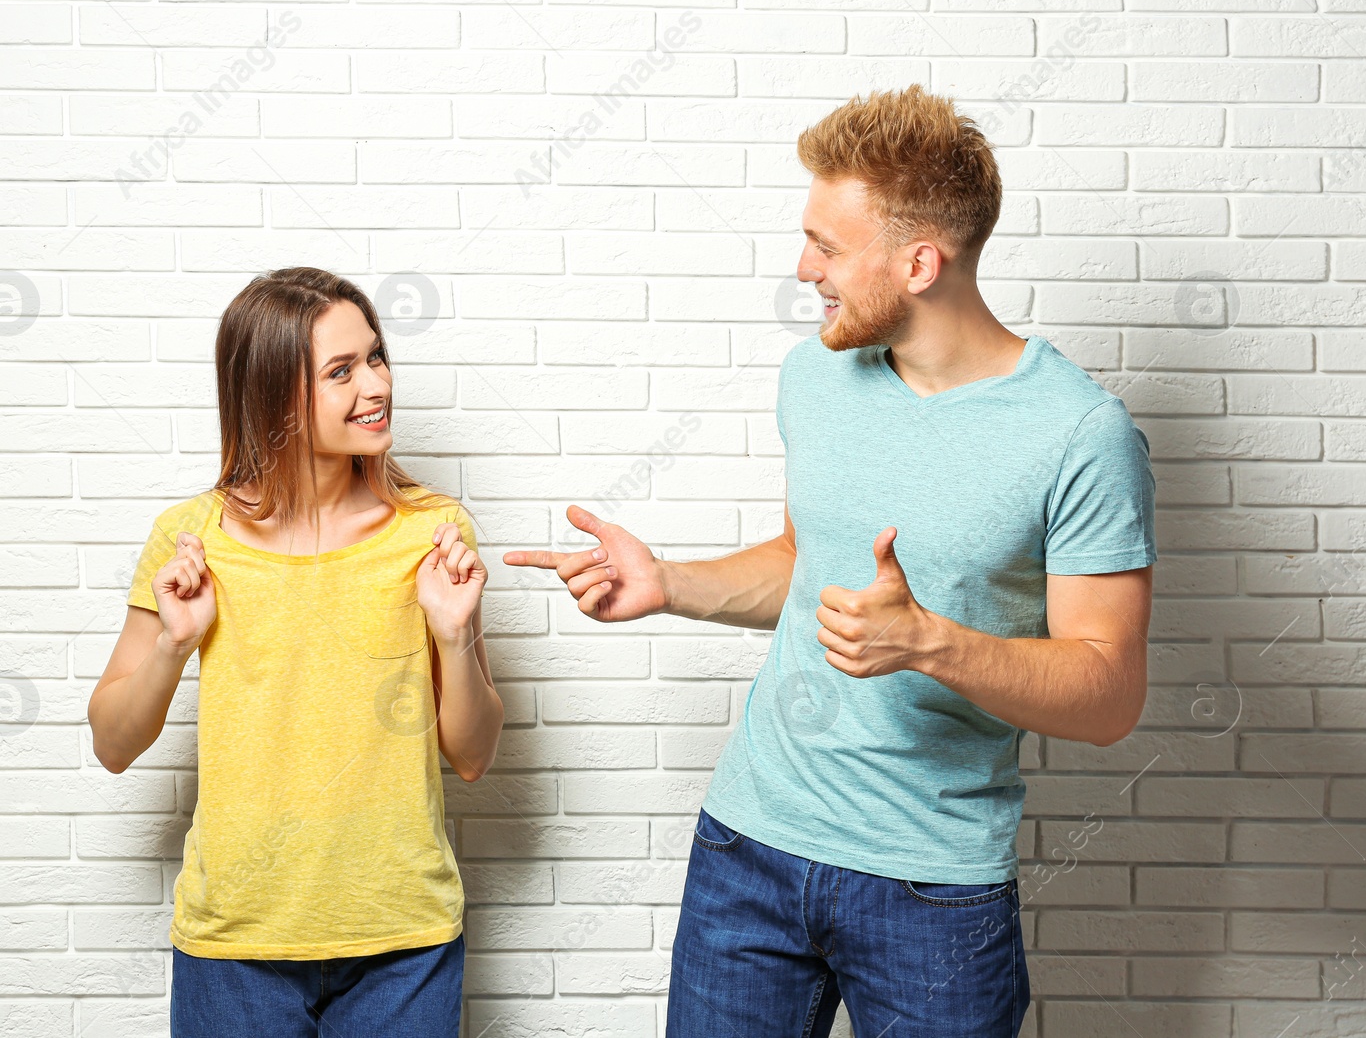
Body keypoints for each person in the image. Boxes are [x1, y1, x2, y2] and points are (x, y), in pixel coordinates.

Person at [505, 84, 1157, 1036]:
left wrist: (930, 643)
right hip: (748, 851)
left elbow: (1109, 694)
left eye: (829, 246)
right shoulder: (819, 372)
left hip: (933, 890)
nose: (804, 268)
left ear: (920, 260)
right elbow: (805, 562)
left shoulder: (1080, 434)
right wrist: (670, 584)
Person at [88, 267, 502, 1038]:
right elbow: (112, 742)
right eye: (341, 371)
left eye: (375, 357)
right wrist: (175, 644)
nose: (375, 384)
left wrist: (452, 632)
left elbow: (473, 755)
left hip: (404, 945)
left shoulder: (433, 532)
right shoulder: (191, 538)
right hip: (234, 948)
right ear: (275, 396)